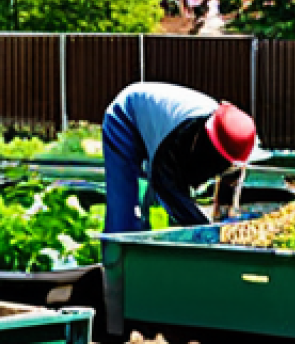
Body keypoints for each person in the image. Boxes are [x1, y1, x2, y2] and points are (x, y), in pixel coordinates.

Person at [102, 81, 262, 233]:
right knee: (124, 216)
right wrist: (205, 231)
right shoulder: (180, 137)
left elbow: (230, 181)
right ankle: (117, 258)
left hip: (157, 129)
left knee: (167, 215)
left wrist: (224, 220)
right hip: (125, 118)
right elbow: (167, 186)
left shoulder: (235, 141)